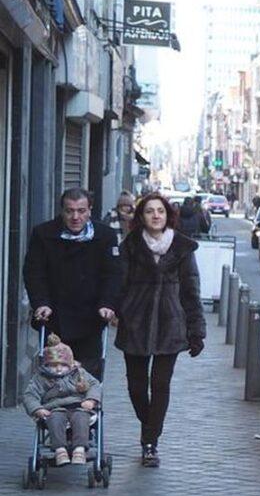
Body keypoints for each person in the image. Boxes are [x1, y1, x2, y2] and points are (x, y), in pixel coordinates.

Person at [115, 193, 205, 467]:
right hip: (135, 323)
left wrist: (196, 331)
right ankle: (149, 426)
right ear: (141, 217)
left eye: (161, 211)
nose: (156, 215)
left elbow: (191, 291)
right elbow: (119, 284)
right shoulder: (130, 246)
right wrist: (115, 310)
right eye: (150, 211)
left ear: (168, 216)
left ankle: (150, 443)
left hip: (170, 324)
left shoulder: (182, 248)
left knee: (161, 385)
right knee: (136, 387)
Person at [23, 188, 120, 382]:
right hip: (54, 316)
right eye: (70, 211)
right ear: (62, 211)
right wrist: (41, 302)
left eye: (81, 211)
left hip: (90, 317)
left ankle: (87, 409)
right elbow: (34, 272)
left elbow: (113, 273)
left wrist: (107, 303)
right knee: (53, 374)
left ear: (90, 210)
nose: (75, 217)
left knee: (87, 377)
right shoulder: (43, 234)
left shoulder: (105, 236)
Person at [22, 334, 101, 466]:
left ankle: (79, 449)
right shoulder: (41, 378)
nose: (58, 369)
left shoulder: (79, 373)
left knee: (81, 419)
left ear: (70, 364)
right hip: (54, 408)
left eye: (63, 365)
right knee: (55, 420)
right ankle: (60, 449)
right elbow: (30, 395)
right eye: (53, 365)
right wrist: (38, 408)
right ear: (46, 365)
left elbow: (94, 385)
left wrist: (91, 400)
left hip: (79, 406)